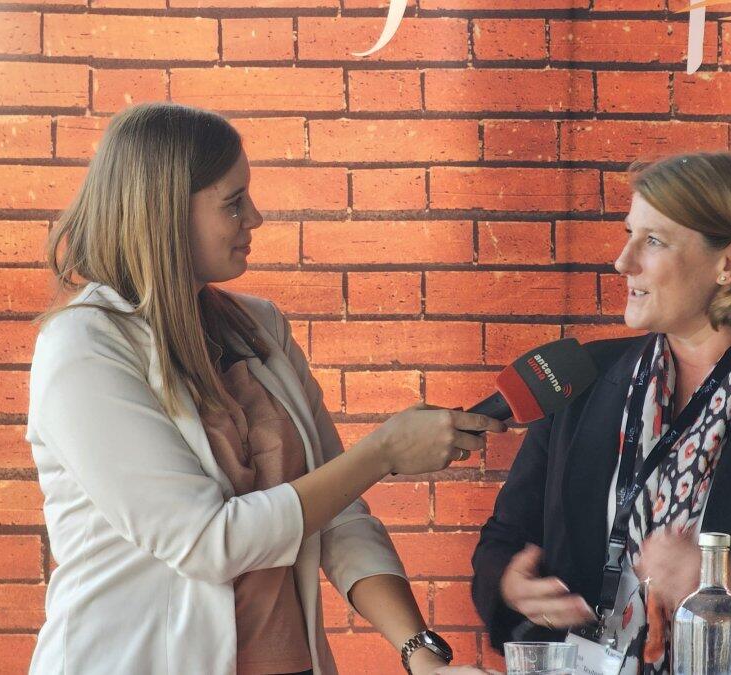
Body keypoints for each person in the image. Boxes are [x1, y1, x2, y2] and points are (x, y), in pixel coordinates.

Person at [26, 102, 506, 675]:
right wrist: (381, 453)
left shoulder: (259, 327)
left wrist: (419, 654)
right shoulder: (85, 347)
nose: (255, 217)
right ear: (163, 212)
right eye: (233, 202)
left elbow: (339, 512)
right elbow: (207, 543)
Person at [471, 151, 731, 673]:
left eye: (653, 241)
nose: (622, 261)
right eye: (629, 234)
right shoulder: (583, 379)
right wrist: (510, 585)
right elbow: (504, 541)